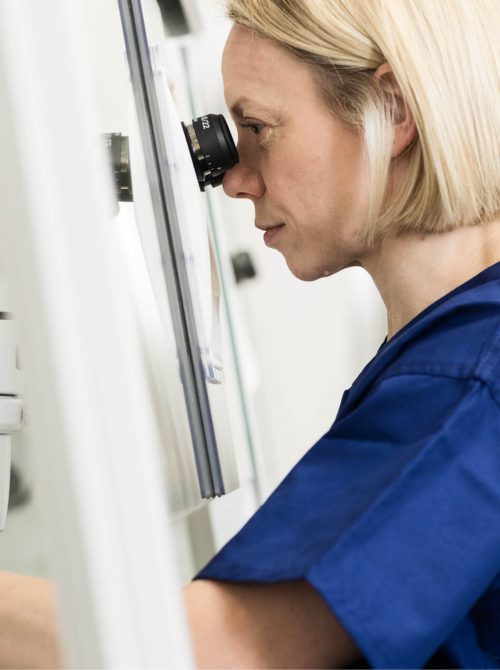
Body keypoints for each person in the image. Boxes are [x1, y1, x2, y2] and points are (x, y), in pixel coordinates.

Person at [1, 0, 500, 667]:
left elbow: (212, 654)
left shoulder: (467, 381)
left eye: (259, 127)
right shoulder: (449, 349)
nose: (234, 179)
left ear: (393, 111)